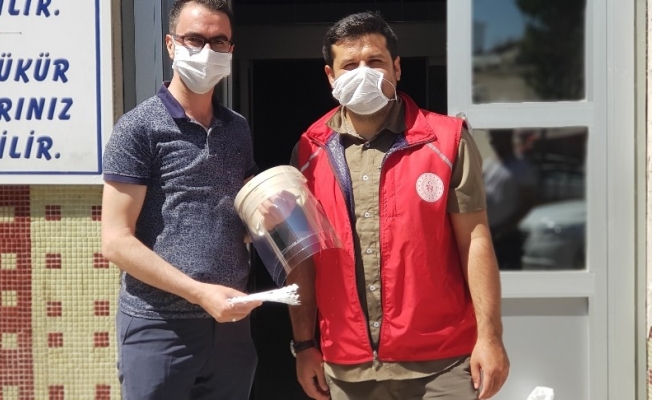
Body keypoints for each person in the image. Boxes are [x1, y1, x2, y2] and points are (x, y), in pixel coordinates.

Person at [286, 11, 510, 400]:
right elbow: (302, 258)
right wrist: (304, 345)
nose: (363, 73)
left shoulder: (447, 141)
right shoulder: (308, 151)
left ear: (397, 68)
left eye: (375, 61)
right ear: (330, 76)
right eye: (349, 65)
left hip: (442, 364)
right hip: (347, 368)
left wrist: (490, 338)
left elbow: (474, 240)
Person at [100, 1, 261, 399]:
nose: (207, 50)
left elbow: (242, 214)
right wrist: (199, 293)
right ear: (171, 45)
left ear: (231, 50)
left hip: (230, 327)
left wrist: (271, 213)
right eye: (194, 39)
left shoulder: (237, 128)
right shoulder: (137, 128)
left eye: (218, 41)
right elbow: (116, 241)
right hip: (159, 327)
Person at [483, 129, 538, 270]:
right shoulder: (489, 165)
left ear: (507, 137)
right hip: (487, 233)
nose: (493, 142)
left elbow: (527, 203)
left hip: (507, 236)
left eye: (497, 137)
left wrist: (503, 229)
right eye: (492, 138)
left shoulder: (521, 168)